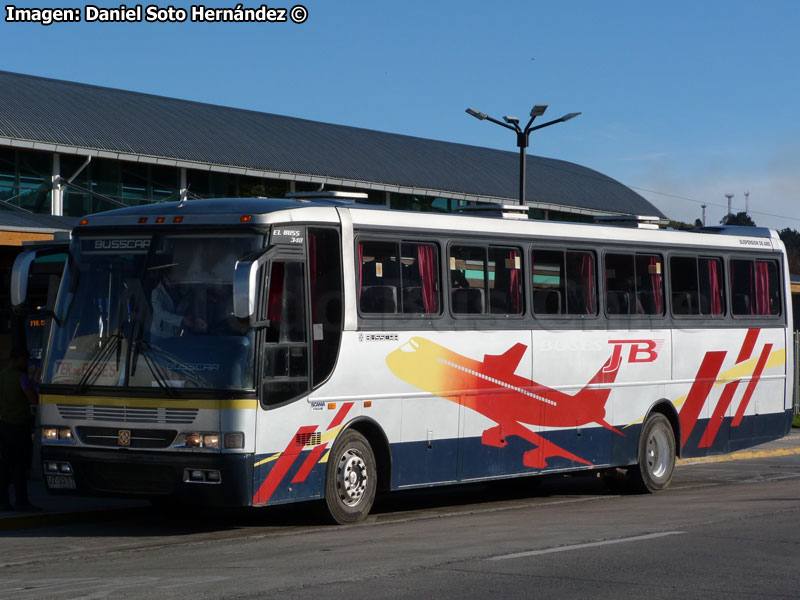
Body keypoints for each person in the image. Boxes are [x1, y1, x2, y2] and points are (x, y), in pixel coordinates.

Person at [0, 347, 39, 511]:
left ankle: (3, 501)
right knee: (20, 466)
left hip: (3, 426)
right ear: (17, 359)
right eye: (25, 360)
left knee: (3, 466)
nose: (26, 363)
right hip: (19, 427)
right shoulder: (22, 378)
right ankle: (22, 501)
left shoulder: (1, 376)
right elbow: (33, 400)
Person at [149, 262, 207, 337]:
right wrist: (182, 320)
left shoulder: (177, 290)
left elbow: (179, 309)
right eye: (170, 279)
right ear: (164, 277)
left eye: (174, 280)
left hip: (174, 333)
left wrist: (190, 318)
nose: (172, 282)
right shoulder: (156, 293)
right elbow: (160, 313)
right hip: (159, 334)